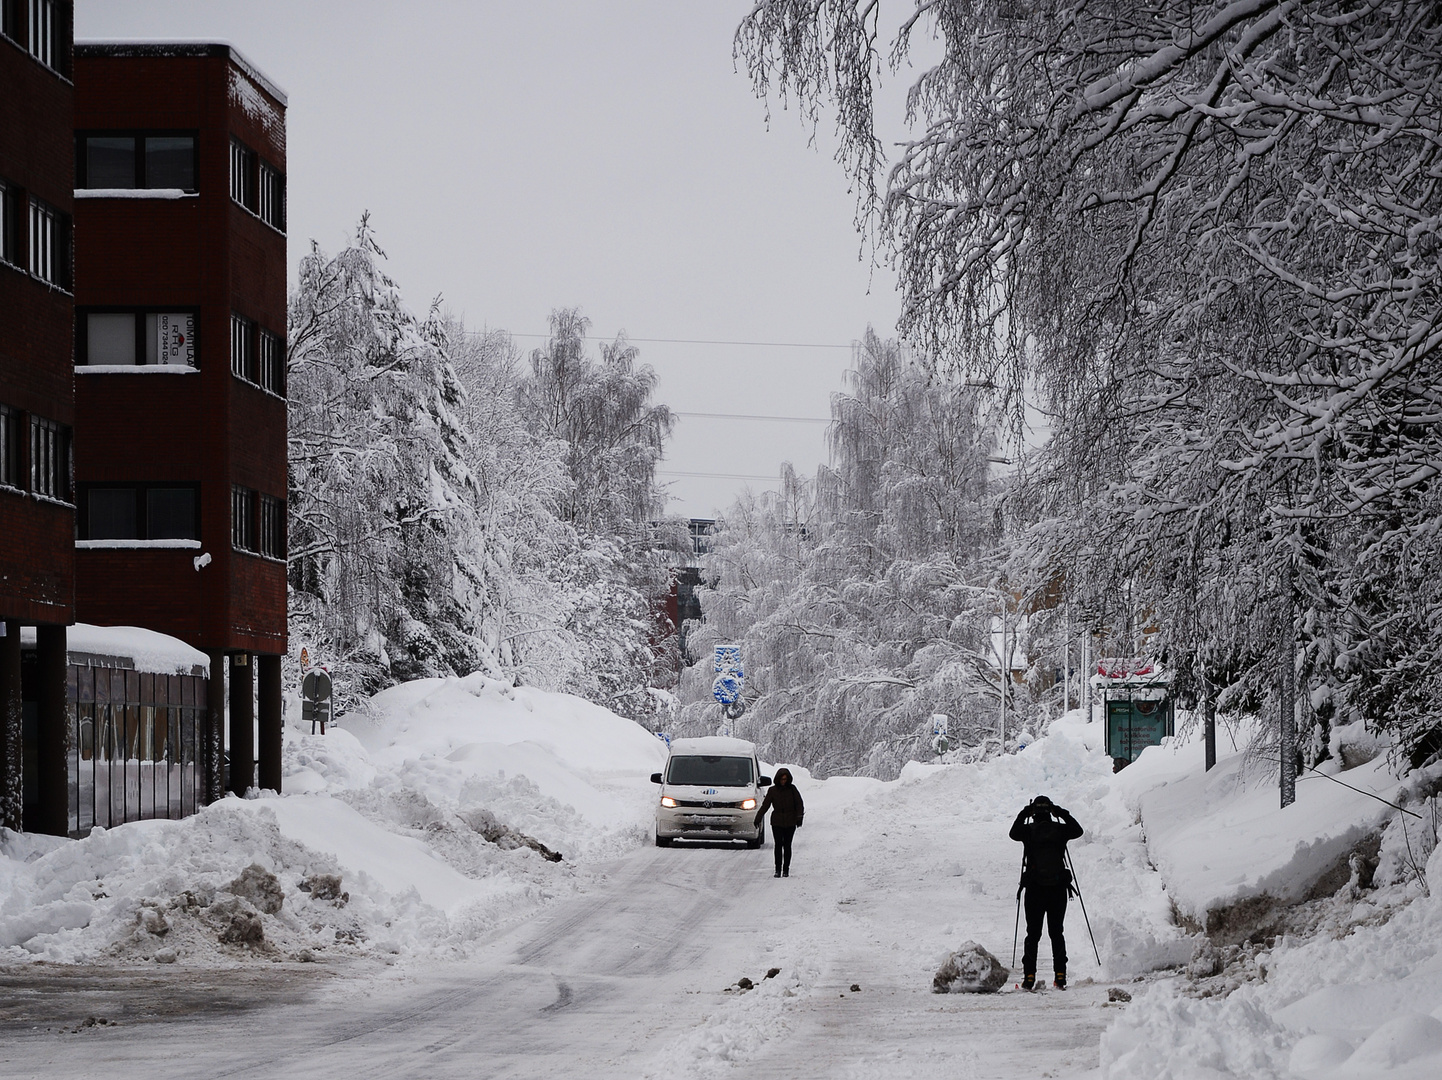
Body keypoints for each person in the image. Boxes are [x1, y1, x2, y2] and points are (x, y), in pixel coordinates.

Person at [1009, 794, 1083, 990]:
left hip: (1034, 889)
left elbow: (1013, 833)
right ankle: (1060, 976)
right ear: (1049, 812)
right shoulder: (1060, 829)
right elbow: (1078, 830)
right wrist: (1061, 812)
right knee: (1056, 932)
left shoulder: (1027, 831)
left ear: (1034, 813)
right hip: (1058, 889)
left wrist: (1024, 812)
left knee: (1033, 934)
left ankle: (1029, 977)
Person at [754, 767, 804, 877]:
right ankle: (777, 869)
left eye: (785, 779)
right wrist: (758, 817)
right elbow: (765, 806)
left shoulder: (792, 789)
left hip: (790, 821)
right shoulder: (772, 791)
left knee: (787, 845)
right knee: (778, 845)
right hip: (777, 821)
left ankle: (786, 869)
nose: (783, 781)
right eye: (782, 779)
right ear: (778, 779)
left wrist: (799, 817)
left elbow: (799, 804)